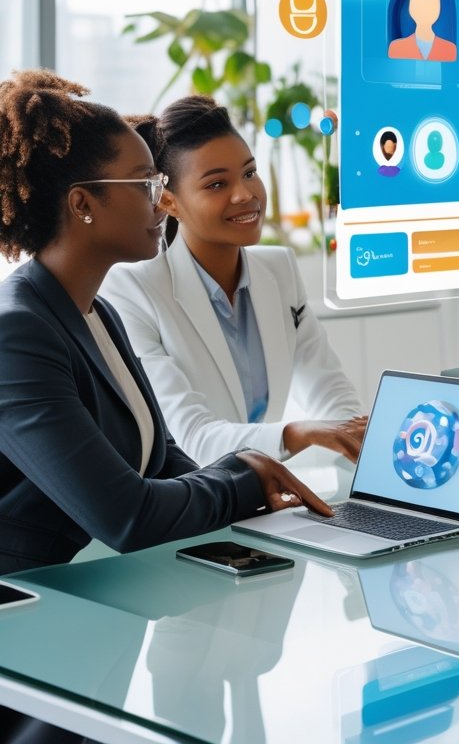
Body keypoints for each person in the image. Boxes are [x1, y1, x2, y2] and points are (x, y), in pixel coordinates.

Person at [0, 71, 331, 744]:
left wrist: (253, 480)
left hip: (94, 615)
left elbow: (168, 463)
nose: (162, 200)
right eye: (146, 183)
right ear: (84, 204)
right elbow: (128, 514)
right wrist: (246, 475)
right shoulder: (19, 332)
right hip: (25, 643)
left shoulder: (97, 316)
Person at [101, 96, 367, 467]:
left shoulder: (280, 269)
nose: (245, 194)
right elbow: (192, 437)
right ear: (169, 202)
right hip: (187, 504)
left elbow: (331, 394)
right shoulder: (132, 292)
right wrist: (299, 433)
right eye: (216, 185)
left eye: (249, 172)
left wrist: (362, 443)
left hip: (263, 495)